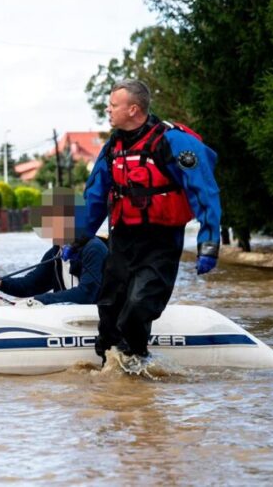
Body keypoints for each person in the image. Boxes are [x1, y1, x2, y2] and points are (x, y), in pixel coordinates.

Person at [83, 79, 222, 374]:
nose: (107, 110)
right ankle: (112, 376)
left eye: (113, 105)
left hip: (160, 241)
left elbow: (205, 192)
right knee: (109, 307)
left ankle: (136, 367)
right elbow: (94, 197)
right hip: (122, 239)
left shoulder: (174, 142)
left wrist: (209, 244)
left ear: (133, 109)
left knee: (138, 304)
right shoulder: (112, 148)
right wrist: (74, 240)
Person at [0, 188, 108, 306]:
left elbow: (86, 294)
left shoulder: (94, 249)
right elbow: (29, 285)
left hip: (98, 318)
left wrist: (40, 300)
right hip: (69, 318)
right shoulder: (55, 252)